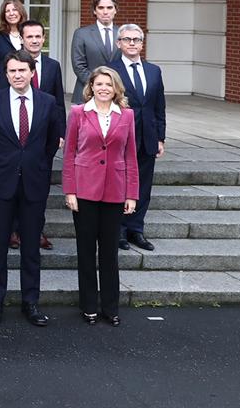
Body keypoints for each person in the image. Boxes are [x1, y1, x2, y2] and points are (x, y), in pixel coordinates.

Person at [0, 51, 64, 327]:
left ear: (31, 72)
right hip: (2, 183)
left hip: (34, 184)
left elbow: (52, 143)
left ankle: (31, 302)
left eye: (22, 71)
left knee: (31, 247)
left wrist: (32, 164)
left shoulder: (48, 102)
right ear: (6, 74)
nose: (17, 75)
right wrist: (6, 164)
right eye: (12, 71)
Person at [63, 66, 138, 326]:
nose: (104, 88)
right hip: (84, 191)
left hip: (115, 192)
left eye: (109, 84)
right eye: (99, 84)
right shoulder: (78, 113)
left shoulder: (127, 115)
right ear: (91, 87)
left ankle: (110, 307)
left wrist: (132, 194)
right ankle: (89, 306)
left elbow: (131, 156)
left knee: (109, 253)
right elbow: (70, 153)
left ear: (116, 88)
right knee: (85, 251)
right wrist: (69, 190)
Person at [109, 24, 166, 252]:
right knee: (120, 185)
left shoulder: (154, 71)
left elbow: (159, 106)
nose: (132, 43)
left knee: (143, 186)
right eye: (127, 39)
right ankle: (119, 231)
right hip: (120, 138)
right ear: (118, 43)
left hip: (148, 137)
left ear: (142, 43)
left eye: (136, 39)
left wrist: (161, 136)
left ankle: (136, 229)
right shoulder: (110, 70)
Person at [10, 19, 65, 251]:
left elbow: (59, 103)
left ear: (44, 38)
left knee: (40, 186)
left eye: (38, 36)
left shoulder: (52, 66)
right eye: (29, 36)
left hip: (43, 139)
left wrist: (60, 132)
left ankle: (36, 230)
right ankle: (14, 230)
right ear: (22, 38)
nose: (33, 40)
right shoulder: (12, 64)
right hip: (16, 137)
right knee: (13, 185)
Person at [70, 0, 120, 104]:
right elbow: (78, 66)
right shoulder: (81, 34)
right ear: (94, 11)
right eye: (101, 8)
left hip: (116, 94)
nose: (105, 12)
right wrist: (98, 85)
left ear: (115, 10)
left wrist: (113, 86)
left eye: (109, 7)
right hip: (87, 92)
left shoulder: (123, 34)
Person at [0, 0, 27, 94]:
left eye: (15, 10)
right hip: (1, 86)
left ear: (21, 12)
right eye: (7, 11)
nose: (11, 13)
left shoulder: (27, 32)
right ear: (4, 15)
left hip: (25, 85)